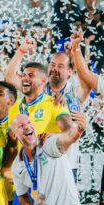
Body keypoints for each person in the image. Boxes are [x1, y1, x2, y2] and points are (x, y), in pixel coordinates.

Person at [5, 37, 90, 180]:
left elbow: (87, 80)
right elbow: (9, 77)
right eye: (52, 64)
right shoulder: (37, 88)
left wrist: (76, 50)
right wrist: (22, 49)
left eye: (60, 66)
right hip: (37, 164)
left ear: (70, 71)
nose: (55, 69)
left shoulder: (74, 93)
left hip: (67, 162)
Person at [10, 114, 85, 205]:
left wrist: (78, 130)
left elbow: (67, 140)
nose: (26, 126)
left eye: (29, 122)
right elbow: (22, 196)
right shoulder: (17, 165)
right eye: (21, 126)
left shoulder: (47, 142)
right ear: (14, 135)